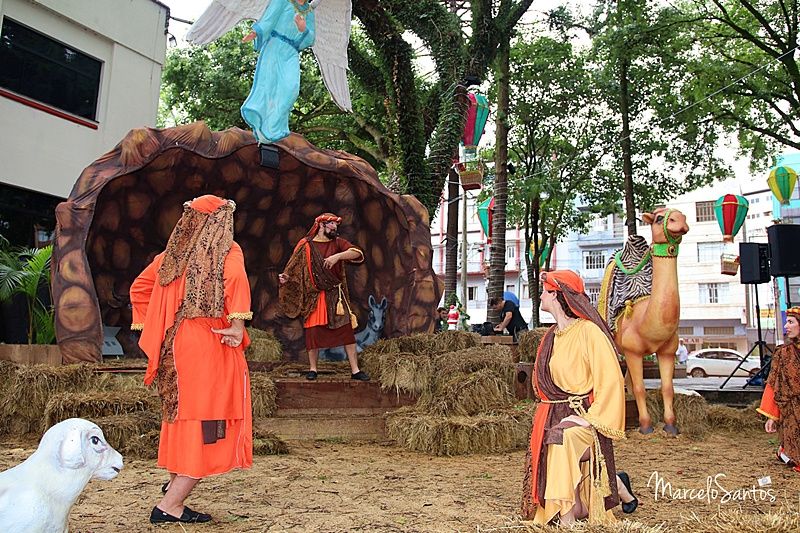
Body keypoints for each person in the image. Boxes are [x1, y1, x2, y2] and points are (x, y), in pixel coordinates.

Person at [130, 195, 253, 524]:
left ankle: (174, 487)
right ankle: (170, 505)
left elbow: (139, 288)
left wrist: (159, 322)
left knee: (182, 416)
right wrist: (237, 325)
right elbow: (236, 280)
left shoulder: (171, 256)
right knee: (206, 420)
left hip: (175, 345)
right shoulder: (227, 250)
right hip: (208, 343)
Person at [521, 270, 636, 525]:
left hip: (586, 417)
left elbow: (611, 380)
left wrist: (588, 419)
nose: (540, 296)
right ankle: (603, 492)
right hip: (554, 414)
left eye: (545, 292)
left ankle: (567, 518)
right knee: (556, 434)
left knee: (561, 437)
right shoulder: (550, 337)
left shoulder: (589, 332)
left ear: (556, 295)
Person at [279, 213, 370, 381]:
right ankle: (313, 369)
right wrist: (286, 278)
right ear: (321, 225)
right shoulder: (306, 245)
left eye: (336, 225)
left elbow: (357, 253)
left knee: (346, 332)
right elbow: (294, 268)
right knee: (312, 333)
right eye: (331, 225)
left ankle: (355, 370)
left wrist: (338, 256)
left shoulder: (338, 242)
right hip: (314, 296)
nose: (335, 228)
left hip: (336, 297)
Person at [241, 0, 316, 143]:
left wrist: (303, 29)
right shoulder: (283, 1)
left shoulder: (309, 12)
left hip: (291, 53)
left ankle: (272, 127)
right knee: (267, 85)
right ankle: (262, 127)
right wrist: (255, 32)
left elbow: (311, 38)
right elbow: (269, 18)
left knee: (291, 89)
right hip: (275, 46)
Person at [758, 306, 800, 473]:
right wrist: (772, 417)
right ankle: (785, 452)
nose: (786, 326)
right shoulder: (783, 353)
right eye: (786, 322)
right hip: (791, 412)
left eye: (791, 322)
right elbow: (773, 384)